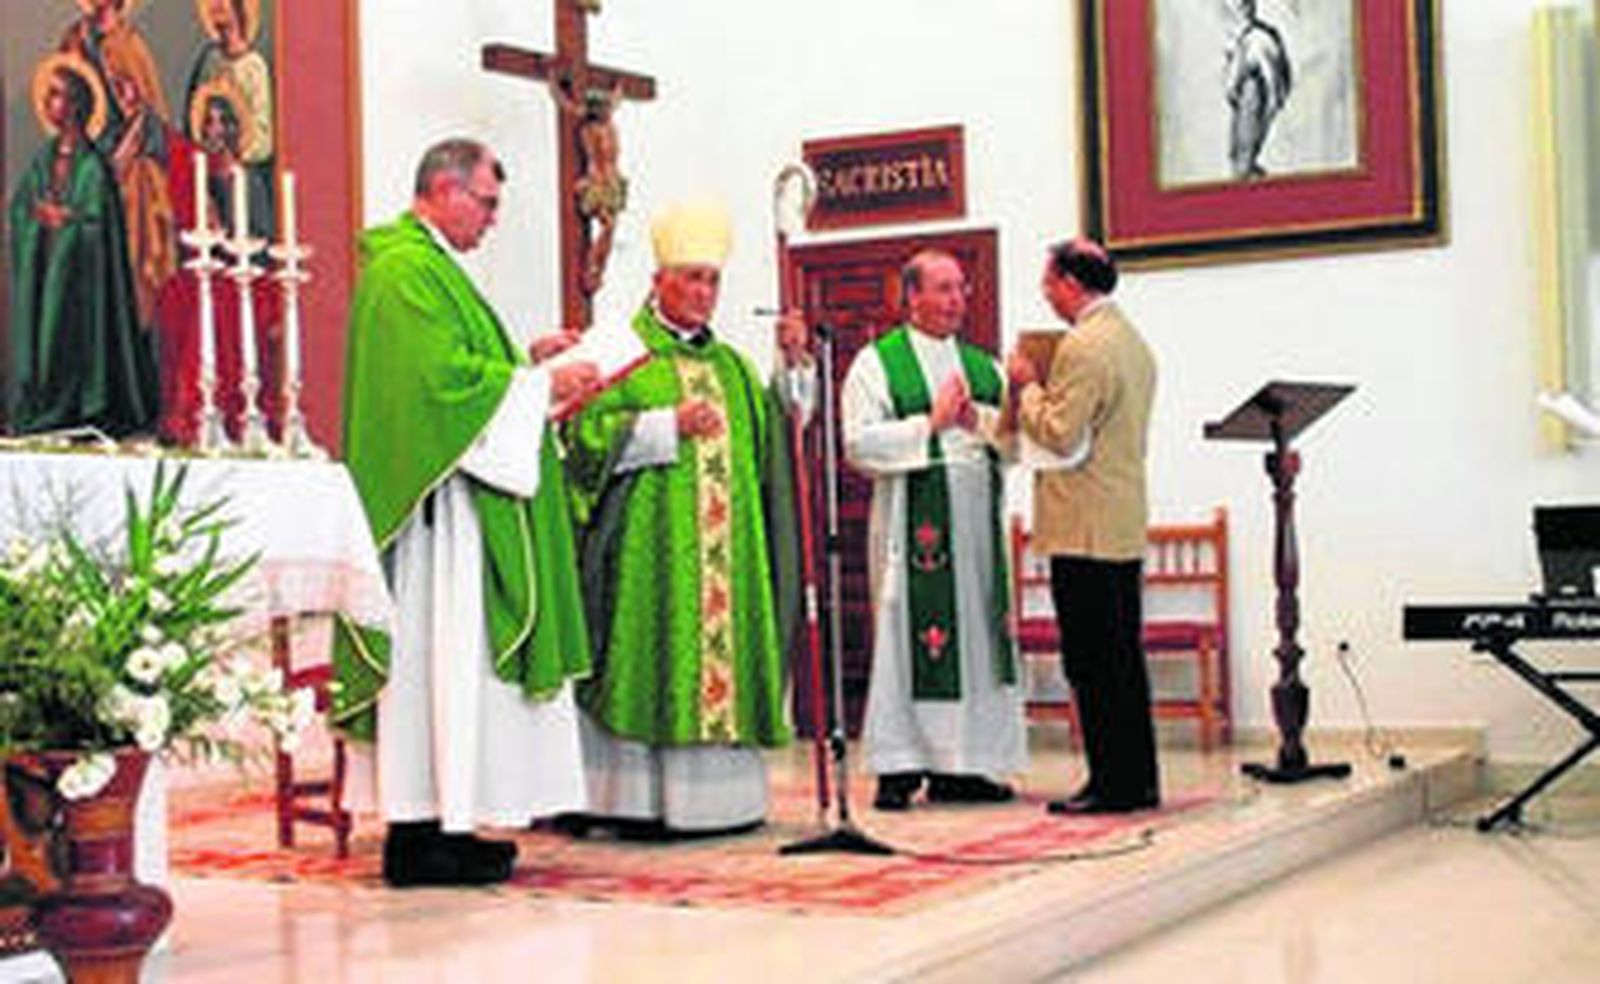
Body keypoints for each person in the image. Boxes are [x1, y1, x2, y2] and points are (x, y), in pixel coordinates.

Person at [331, 138, 599, 886]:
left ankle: (443, 825)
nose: (490, 220)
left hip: (459, 508)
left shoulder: (433, 268)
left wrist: (528, 364)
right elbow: (437, 386)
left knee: (452, 673)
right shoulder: (402, 271)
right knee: (432, 666)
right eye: (484, 202)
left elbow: (462, 376)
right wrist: (538, 387)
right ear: (442, 189)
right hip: (434, 524)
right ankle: (416, 836)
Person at [562, 200, 804, 838]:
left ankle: (722, 804)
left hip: (724, 563)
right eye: (691, 278)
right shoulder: (617, 349)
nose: (703, 292)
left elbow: (779, 440)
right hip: (646, 561)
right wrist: (665, 425)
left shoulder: (733, 369)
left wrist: (793, 367)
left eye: (712, 280)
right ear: (658, 280)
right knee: (645, 654)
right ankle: (631, 803)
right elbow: (581, 438)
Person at [840, 250, 1025, 811]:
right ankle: (900, 766)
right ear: (911, 296)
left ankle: (965, 767)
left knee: (974, 645)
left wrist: (988, 416)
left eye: (961, 289)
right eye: (943, 290)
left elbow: (1013, 447)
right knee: (906, 641)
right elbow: (856, 443)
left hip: (976, 534)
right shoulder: (876, 363)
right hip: (911, 529)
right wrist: (932, 423)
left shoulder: (983, 364)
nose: (955, 301)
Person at [1006, 238, 1160, 815]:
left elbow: (1060, 432)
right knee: (1123, 656)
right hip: (1118, 517)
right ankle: (1137, 778)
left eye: (1049, 282)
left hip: (1084, 525)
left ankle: (1112, 784)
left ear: (1072, 283)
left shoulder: (1084, 346)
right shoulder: (1131, 341)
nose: (1045, 293)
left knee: (1093, 662)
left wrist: (1025, 385)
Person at [7, 53, 159, 438]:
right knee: (44, 341)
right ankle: (43, 406)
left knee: (67, 340)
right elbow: (21, 207)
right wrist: (35, 220)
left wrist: (67, 224)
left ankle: (76, 406)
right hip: (45, 273)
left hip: (80, 289)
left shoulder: (92, 166)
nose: (49, 104)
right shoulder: (43, 158)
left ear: (77, 105)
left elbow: (97, 227)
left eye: (58, 95)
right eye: (48, 96)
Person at [1225, 0, 1292, 180]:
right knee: (1237, 157)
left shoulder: (1260, 38)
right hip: (1243, 102)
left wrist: (1269, 111)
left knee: (1243, 161)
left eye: (1238, 4)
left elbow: (1275, 86)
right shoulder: (1238, 36)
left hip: (1253, 99)